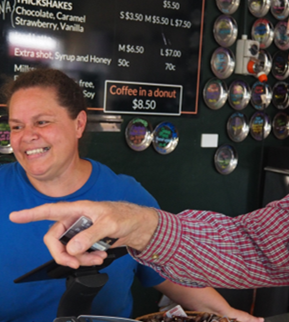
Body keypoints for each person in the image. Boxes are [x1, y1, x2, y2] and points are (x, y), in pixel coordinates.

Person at [9, 0, 289, 321]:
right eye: (15, 125)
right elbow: (256, 246)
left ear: (79, 124)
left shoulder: (121, 186)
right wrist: (135, 224)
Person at [1, 68, 263, 322]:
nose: (27, 137)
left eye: (42, 122)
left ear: (79, 123)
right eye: (16, 126)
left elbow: (170, 277)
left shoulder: (127, 197)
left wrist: (228, 315)